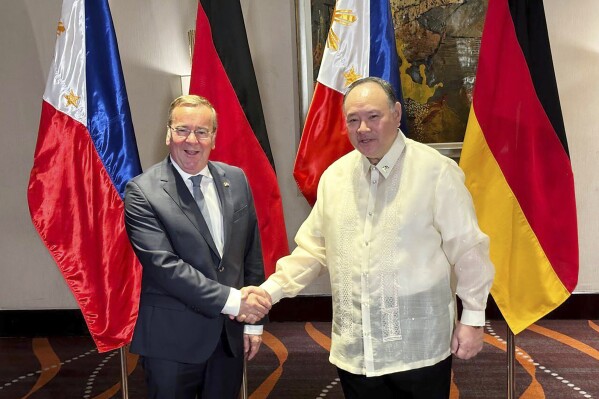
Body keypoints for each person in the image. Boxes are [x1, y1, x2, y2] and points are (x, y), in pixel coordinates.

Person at [248, 77, 495, 398]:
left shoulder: (436, 172)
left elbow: (469, 249)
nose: (363, 128)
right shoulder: (334, 178)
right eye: (353, 119)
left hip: (417, 346)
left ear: (396, 113)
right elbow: (312, 251)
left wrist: (474, 318)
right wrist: (268, 293)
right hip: (356, 348)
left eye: (373, 117)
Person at [124, 95, 271, 399]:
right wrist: (234, 301)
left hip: (228, 339)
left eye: (202, 132)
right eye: (182, 130)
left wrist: (254, 321)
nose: (192, 140)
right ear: (168, 134)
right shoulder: (142, 191)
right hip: (171, 343)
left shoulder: (236, 179)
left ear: (213, 138)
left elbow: (250, 254)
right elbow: (165, 268)